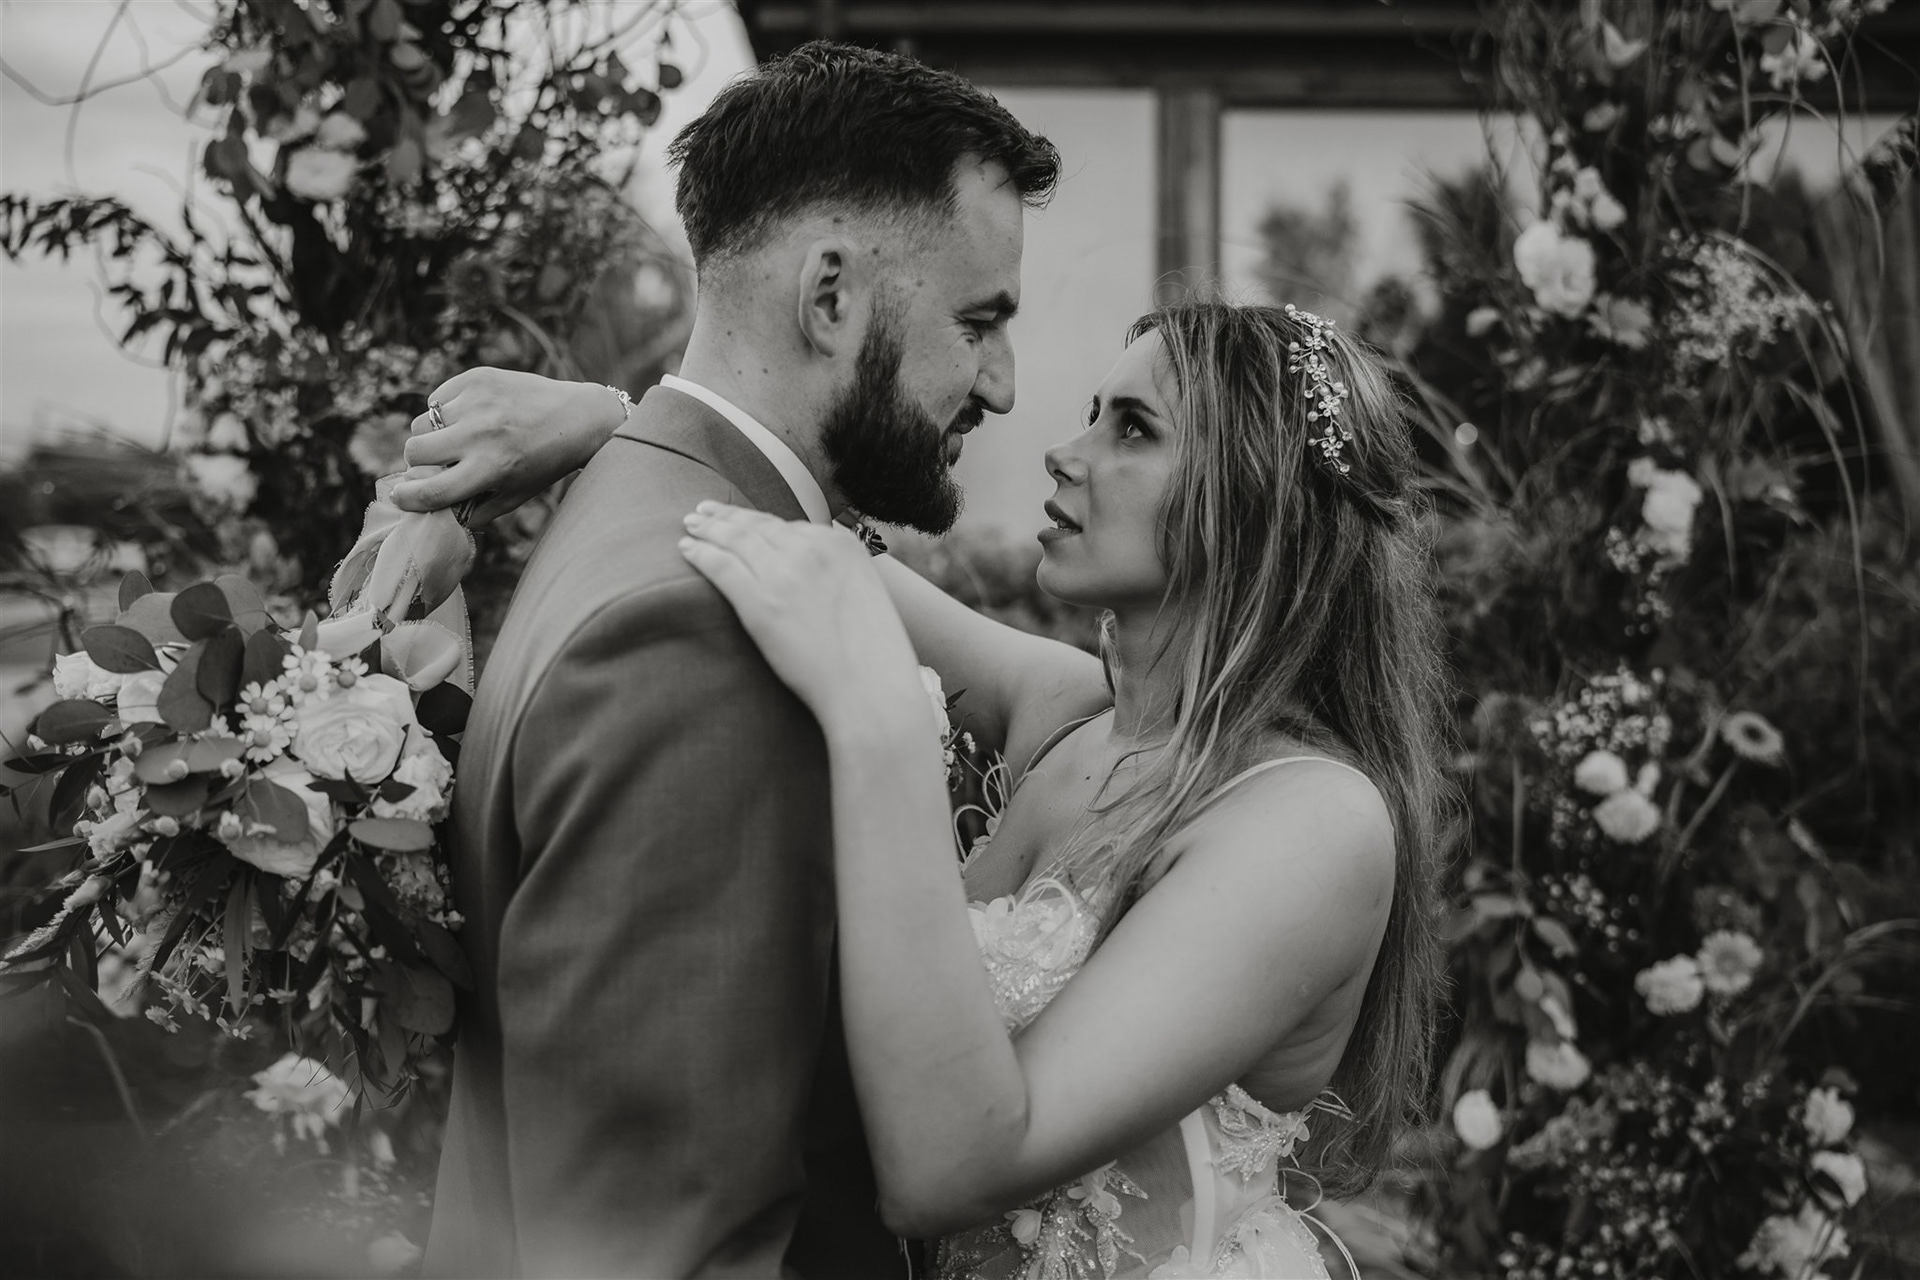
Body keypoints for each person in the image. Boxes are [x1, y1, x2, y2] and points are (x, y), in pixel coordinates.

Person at [396, 299, 1452, 1277]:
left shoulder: (1308, 824)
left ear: (1256, 504)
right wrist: (610, 423)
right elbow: (780, 535)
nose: (1065, 450)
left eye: (1133, 428)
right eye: (1093, 412)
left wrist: (882, 727)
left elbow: (951, 1169)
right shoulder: (1077, 716)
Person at [411, 40, 1061, 1279]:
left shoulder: (634, 501)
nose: (1005, 384)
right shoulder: (703, 637)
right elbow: (667, 1242)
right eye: (979, 320)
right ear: (831, 297)